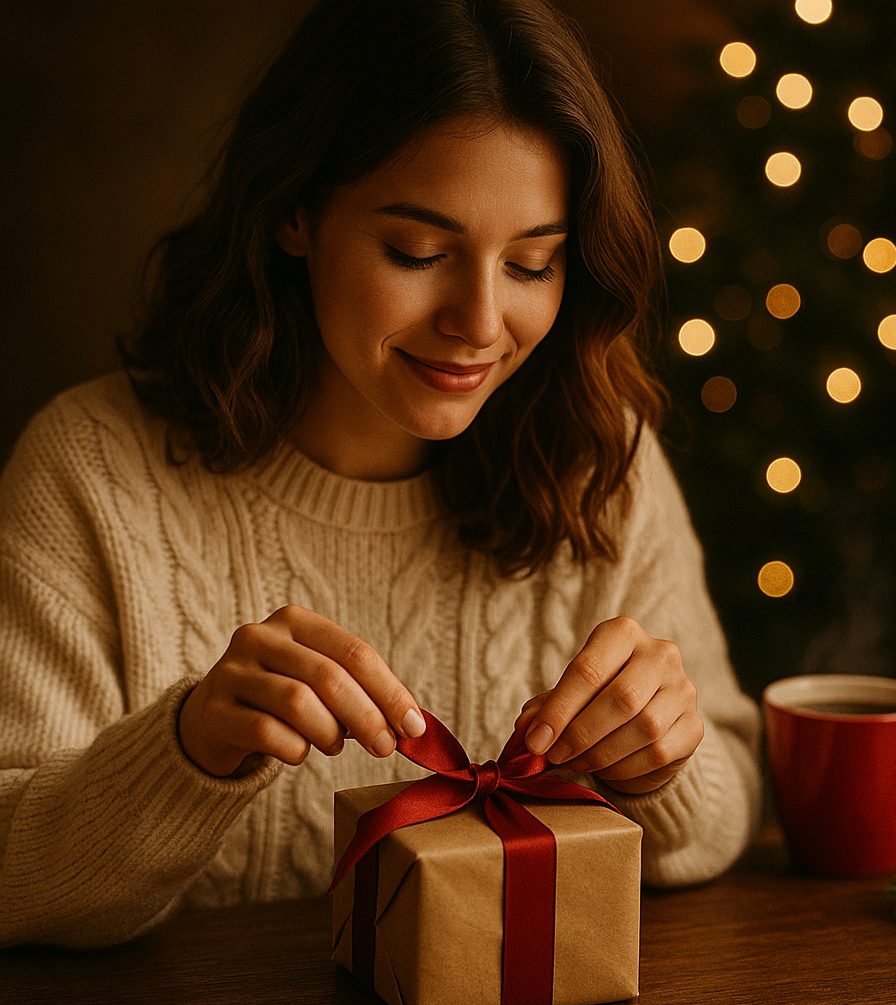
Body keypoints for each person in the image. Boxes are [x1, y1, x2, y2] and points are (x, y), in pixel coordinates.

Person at [0, 0, 761, 949]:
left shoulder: (599, 457)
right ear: (294, 210)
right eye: (418, 253)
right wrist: (185, 752)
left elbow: (731, 800)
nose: (479, 323)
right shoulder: (88, 472)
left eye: (532, 264)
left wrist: (661, 769)